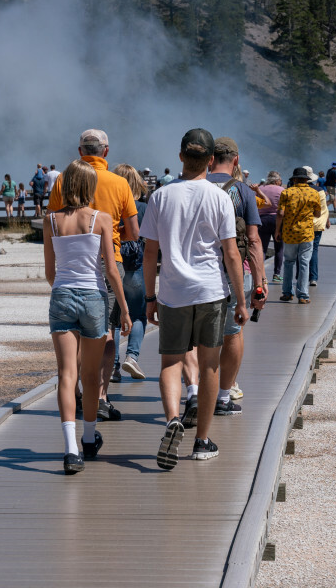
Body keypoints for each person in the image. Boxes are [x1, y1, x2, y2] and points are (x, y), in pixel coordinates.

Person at [142, 128, 247, 468]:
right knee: (209, 364)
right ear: (212, 160)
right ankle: (202, 441)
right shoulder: (220, 198)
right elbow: (231, 254)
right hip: (211, 292)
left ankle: (173, 418)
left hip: (173, 292)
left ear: (180, 156)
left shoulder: (160, 196)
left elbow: (149, 254)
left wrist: (149, 296)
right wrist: (241, 299)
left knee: (171, 362)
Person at [43, 159, 131, 475]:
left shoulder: (50, 221)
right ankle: (89, 438)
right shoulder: (102, 219)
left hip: (62, 295)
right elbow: (110, 270)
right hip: (94, 298)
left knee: (67, 374)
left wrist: (65, 289)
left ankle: (70, 450)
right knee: (91, 375)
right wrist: (123, 308)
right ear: (89, 186)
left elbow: (50, 273)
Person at [47, 129, 139, 422]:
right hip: (108, 260)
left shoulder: (63, 180)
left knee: (72, 333)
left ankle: (74, 388)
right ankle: (99, 396)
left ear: (79, 151)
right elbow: (134, 232)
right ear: (106, 151)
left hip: (70, 268)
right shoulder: (119, 183)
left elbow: (54, 224)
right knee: (106, 333)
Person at [204, 137, 267, 419]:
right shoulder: (243, 191)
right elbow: (253, 241)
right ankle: (224, 396)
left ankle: (195, 393)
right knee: (233, 331)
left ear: (209, 159)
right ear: (236, 160)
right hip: (232, 272)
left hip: (196, 271)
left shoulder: (196, 187)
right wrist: (260, 284)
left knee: (198, 335)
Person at [113, 164, 149, 381]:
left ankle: (113, 366)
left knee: (115, 319)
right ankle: (132, 357)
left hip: (114, 266)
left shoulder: (111, 205)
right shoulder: (144, 208)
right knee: (138, 315)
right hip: (137, 268)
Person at [276, 167, 323, 304]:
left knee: (289, 262)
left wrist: (277, 231)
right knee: (304, 263)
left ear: (294, 179)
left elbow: (280, 213)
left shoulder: (287, 193)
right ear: (306, 179)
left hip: (290, 233)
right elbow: (318, 214)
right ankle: (303, 295)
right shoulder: (313, 193)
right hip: (307, 233)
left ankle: (287, 293)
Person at [254, 171, 284, 282]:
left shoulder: (261, 188)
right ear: (276, 181)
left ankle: (261, 275)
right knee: (279, 248)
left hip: (263, 219)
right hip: (278, 219)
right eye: (280, 181)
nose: (281, 183)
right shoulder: (281, 190)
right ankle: (276, 274)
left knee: (262, 248)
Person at [308, 167, 329, 287]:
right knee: (314, 249)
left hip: (302, 224)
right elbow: (324, 208)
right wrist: (327, 220)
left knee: (301, 251)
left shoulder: (295, 190)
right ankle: (313, 278)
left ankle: (301, 276)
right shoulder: (320, 191)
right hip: (317, 224)